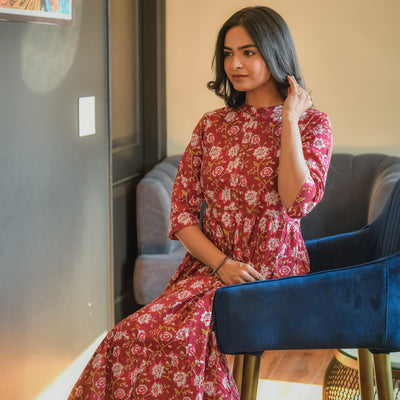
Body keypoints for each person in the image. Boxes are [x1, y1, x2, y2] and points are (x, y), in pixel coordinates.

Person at [68, 6, 332, 400]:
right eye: (228, 53)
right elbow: (183, 216)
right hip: (210, 269)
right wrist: (221, 265)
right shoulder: (212, 125)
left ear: (275, 52)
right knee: (123, 339)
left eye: (248, 52)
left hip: (270, 272)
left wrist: (289, 120)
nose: (235, 64)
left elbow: (297, 203)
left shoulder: (313, 124)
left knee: (148, 341)